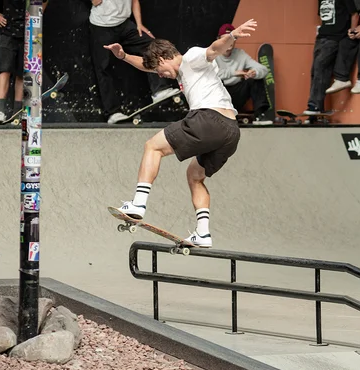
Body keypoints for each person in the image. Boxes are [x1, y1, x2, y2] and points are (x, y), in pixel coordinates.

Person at [106, 19, 258, 248]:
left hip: (208, 119)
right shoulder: (181, 72)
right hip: (230, 131)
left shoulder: (190, 58)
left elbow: (213, 49)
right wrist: (124, 56)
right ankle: (203, 233)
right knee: (195, 175)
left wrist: (233, 36)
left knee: (152, 147)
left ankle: (138, 204)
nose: (159, 75)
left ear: (164, 58)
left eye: (159, 69)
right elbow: (146, 65)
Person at [89, 0, 179, 124]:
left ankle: (160, 90)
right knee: (103, 68)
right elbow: (96, 2)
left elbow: (135, 1)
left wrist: (139, 23)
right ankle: (112, 113)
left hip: (124, 24)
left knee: (151, 45)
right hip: (102, 26)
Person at [0, 0, 49, 124]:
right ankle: (0, 112)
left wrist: (39, 13)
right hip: (8, 31)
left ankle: (17, 114)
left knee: (21, 74)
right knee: (4, 70)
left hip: (29, 32)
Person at [304, 0, 360, 115]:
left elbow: (354, 14)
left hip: (337, 37)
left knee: (320, 65)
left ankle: (314, 106)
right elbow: (324, 17)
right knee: (315, 70)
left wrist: (352, 31)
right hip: (322, 37)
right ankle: (316, 107)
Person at [214, 24, 271, 126]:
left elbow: (264, 69)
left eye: (232, 38)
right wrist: (235, 72)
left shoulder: (240, 54)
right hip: (218, 98)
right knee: (217, 82)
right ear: (219, 40)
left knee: (255, 79)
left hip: (235, 95)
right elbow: (213, 74)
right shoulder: (213, 54)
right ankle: (216, 118)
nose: (229, 42)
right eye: (225, 39)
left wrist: (254, 72)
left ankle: (260, 115)